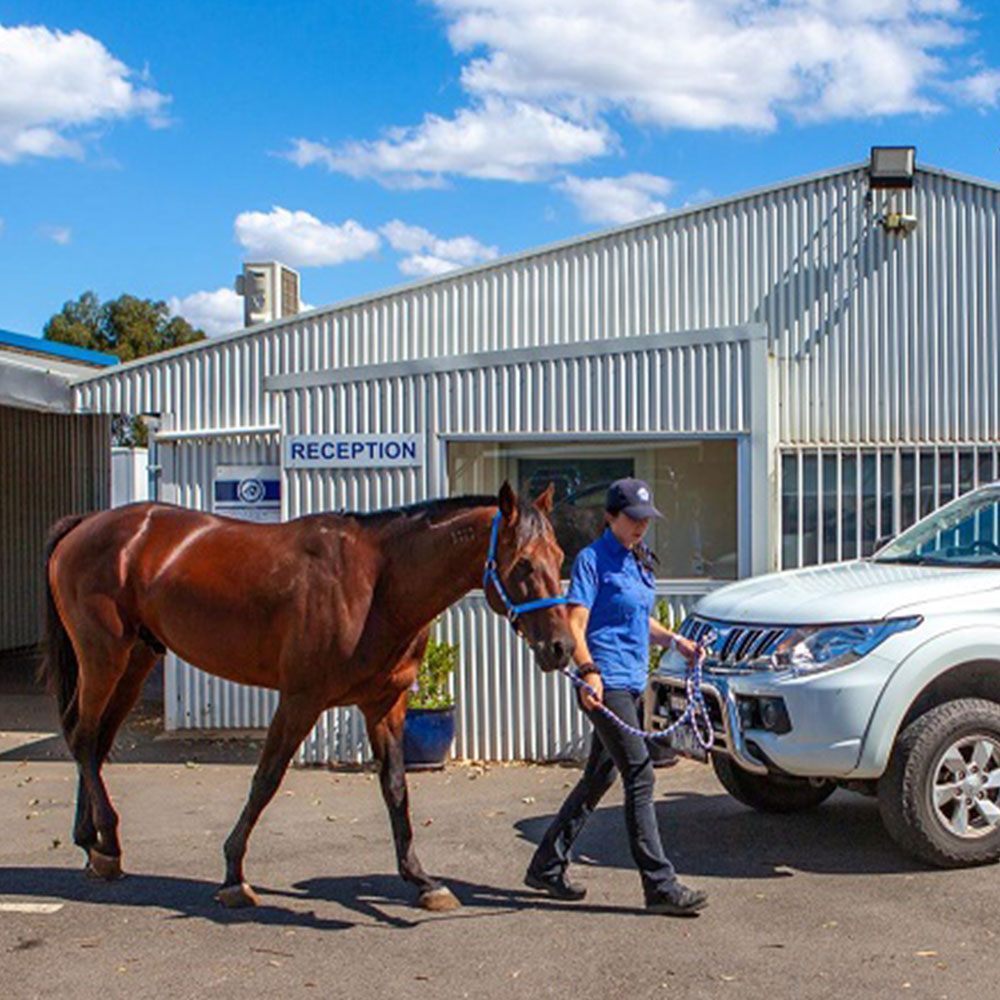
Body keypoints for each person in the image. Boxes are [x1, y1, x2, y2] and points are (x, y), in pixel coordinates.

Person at [524, 477, 708, 916]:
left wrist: (676, 641)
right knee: (640, 776)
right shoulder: (593, 561)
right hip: (605, 684)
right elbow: (575, 623)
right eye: (633, 518)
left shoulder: (637, 560)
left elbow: (638, 619)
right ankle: (660, 885)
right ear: (611, 517)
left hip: (631, 680)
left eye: (646, 518)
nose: (641, 525)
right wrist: (588, 672)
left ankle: (547, 864)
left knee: (599, 777)